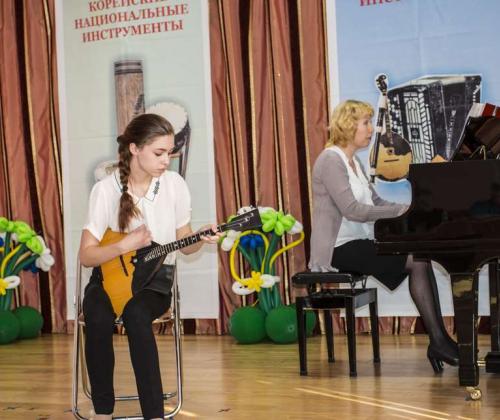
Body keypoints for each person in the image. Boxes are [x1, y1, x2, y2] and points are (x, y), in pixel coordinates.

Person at [78, 113, 221, 420]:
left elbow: (184, 243)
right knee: (98, 316)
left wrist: (199, 238)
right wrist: (123, 246)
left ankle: (154, 414)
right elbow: (87, 256)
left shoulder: (174, 185)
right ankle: (102, 411)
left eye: (169, 153)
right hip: (108, 278)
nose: (166, 160)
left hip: (154, 282)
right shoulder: (105, 189)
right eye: (159, 153)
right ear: (134, 149)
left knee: (136, 314)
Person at [308, 99, 459, 372]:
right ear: (348, 125)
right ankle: (439, 341)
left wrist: (411, 209)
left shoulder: (355, 163)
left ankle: (440, 340)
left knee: (419, 258)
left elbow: (377, 203)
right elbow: (352, 210)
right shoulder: (331, 160)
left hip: (358, 242)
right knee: (416, 261)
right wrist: (403, 212)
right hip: (336, 248)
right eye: (365, 123)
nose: (371, 129)